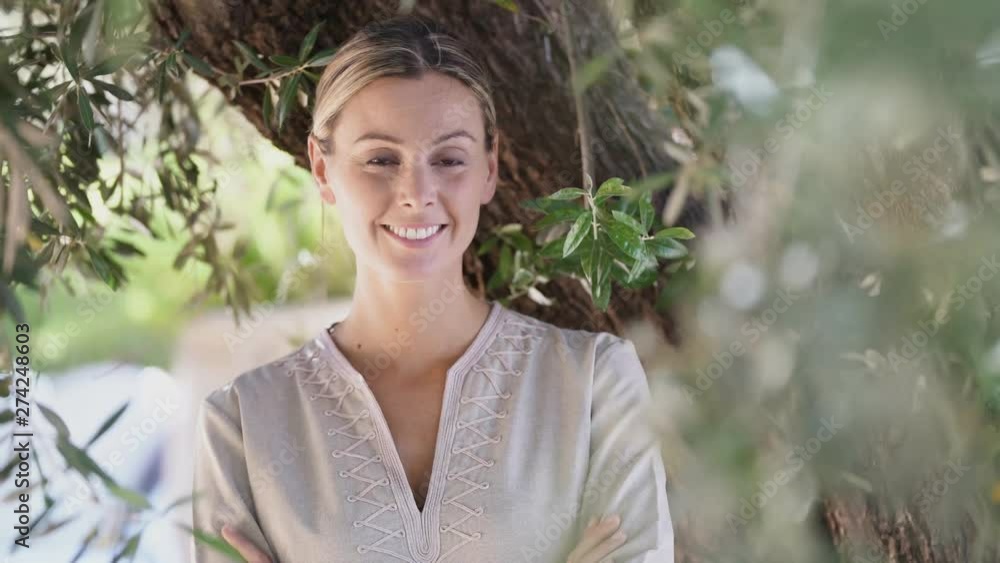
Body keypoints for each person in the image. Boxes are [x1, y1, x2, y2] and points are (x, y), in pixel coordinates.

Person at [191, 13, 674, 563]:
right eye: (380, 159)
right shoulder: (242, 427)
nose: (418, 193)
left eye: (448, 159)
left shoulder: (595, 388)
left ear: (489, 168)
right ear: (322, 171)